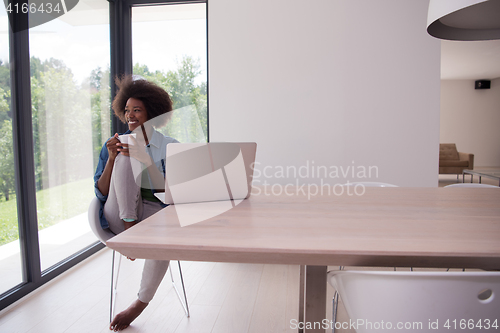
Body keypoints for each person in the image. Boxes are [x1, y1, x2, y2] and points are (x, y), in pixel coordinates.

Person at [93, 75, 178, 331]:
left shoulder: (169, 146)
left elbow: (171, 192)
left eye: (137, 110)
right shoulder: (116, 142)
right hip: (119, 215)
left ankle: (139, 304)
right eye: (127, 110)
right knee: (124, 156)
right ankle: (131, 234)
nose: (130, 115)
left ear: (151, 113)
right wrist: (111, 159)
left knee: (167, 235)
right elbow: (101, 191)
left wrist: (146, 160)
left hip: (152, 214)